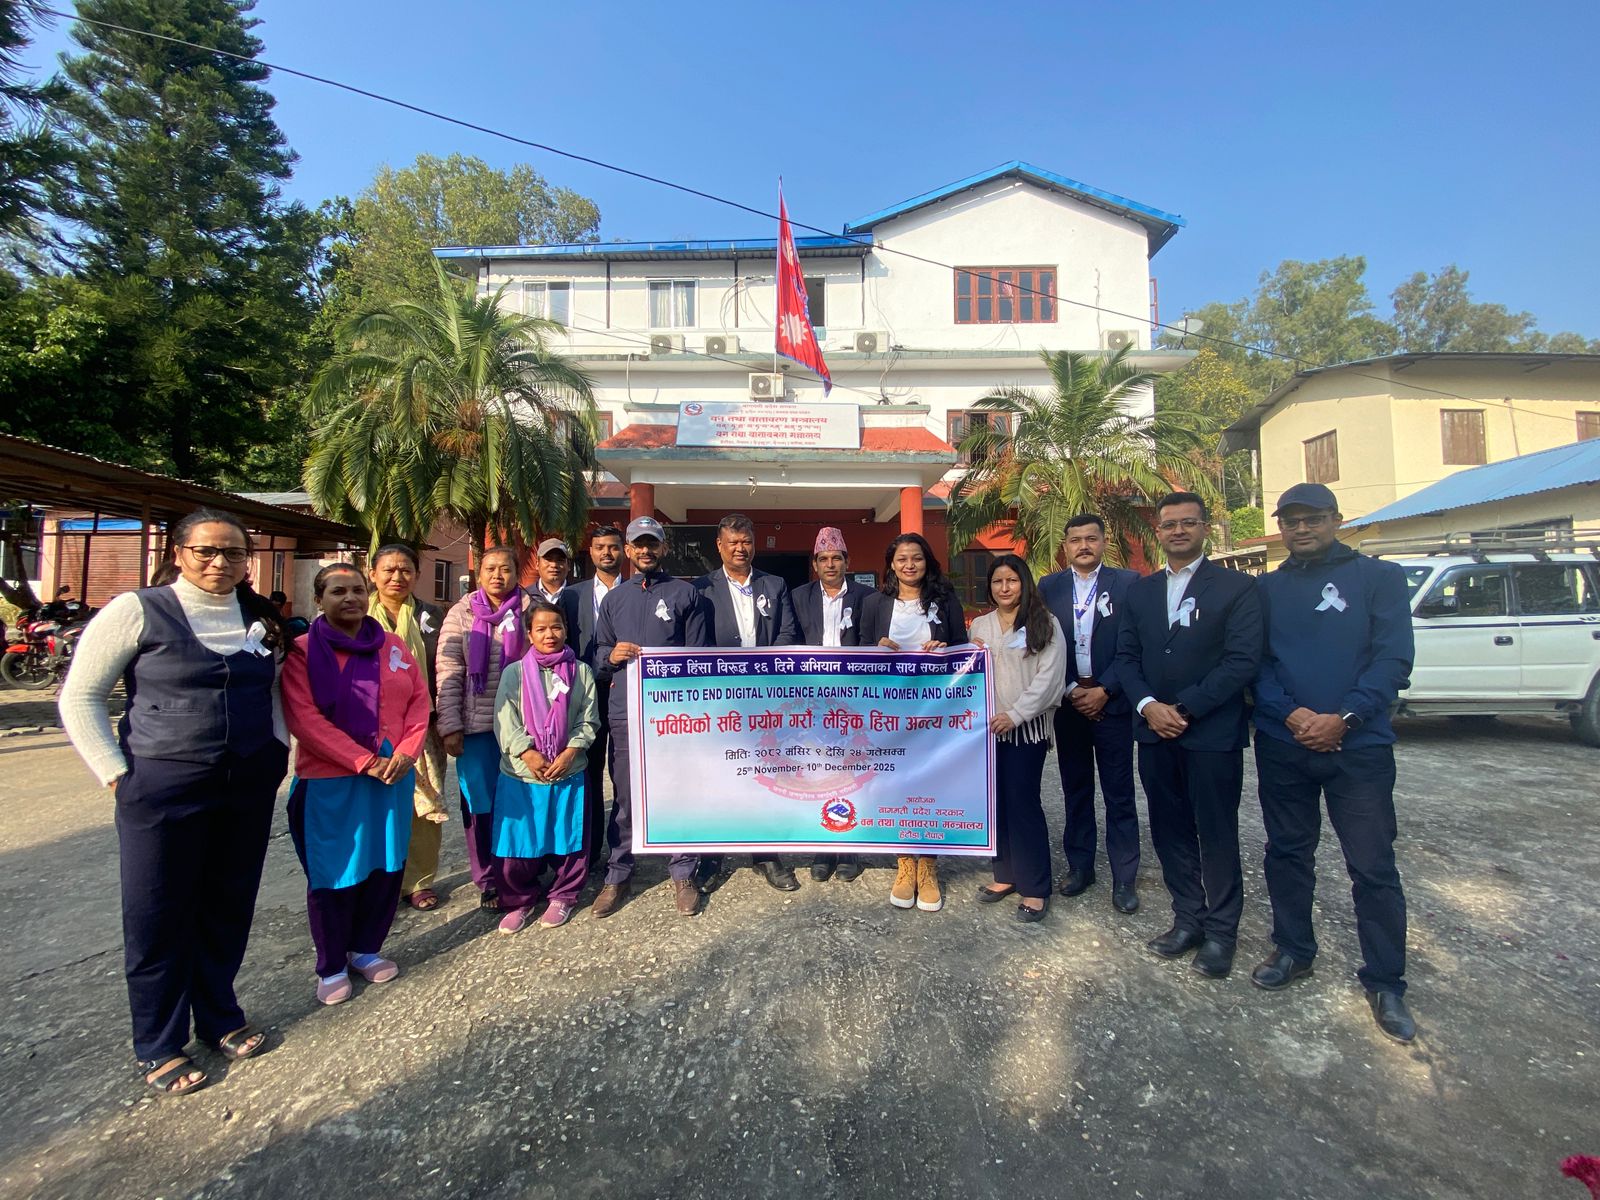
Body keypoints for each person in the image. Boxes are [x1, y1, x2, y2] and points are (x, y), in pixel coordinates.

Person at [59, 508, 289, 1096]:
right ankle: (159, 1041)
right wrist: (115, 773)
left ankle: (218, 1015)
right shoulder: (138, 610)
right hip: (161, 787)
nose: (219, 562)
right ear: (179, 553)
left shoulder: (259, 619)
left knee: (228, 903)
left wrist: (277, 749)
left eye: (233, 553)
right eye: (206, 551)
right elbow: (80, 696)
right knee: (157, 913)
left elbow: (275, 691)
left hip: (245, 785)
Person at [1251, 483, 1418, 1042]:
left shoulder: (1379, 578)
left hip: (1359, 748)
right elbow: (1255, 664)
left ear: (1337, 519)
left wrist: (1344, 717)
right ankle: (1293, 949)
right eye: (1291, 520)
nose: (1301, 528)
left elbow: (1393, 660)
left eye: (1313, 518)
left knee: (1372, 866)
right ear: (1281, 526)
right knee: (1287, 853)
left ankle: (1386, 981)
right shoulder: (1266, 589)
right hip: (1284, 744)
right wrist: (1293, 714)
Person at [1114, 492, 1262, 978]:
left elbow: (1241, 661)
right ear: (1158, 531)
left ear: (1205, 528)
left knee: (1216, 833)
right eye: (1169, 524)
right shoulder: (1141, 591)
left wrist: (1184, 708)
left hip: (1210, 734)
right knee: (1169, 829)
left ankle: (1221, 933)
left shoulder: (1238, 588)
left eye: (1188, 523)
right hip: (1154, 732)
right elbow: (1127, 658)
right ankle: (1188, 919)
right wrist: (1147, 706)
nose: (1178, 531)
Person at [282, 565, 430, 1005]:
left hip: (392, 775)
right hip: (332, 779)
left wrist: (408, 751)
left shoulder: (392, 645)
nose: (350, 598)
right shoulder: (302, 652)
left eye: (357, 590)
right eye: (337, 591)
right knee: (335, 872)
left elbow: (419, 699)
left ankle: (367, 948)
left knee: (386, 864)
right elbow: (304, 719)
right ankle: (331, 964)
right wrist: (363, 760)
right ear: (319, 599)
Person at [592, 516, 710, 917]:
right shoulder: (614, 600)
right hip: (626, 712)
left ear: (664, 548)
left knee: (677, 790)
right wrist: (610, 656)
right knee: (625, 795)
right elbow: (598, 654)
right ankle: (618, 873)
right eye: (638, 544)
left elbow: (699, 657)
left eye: (652, 544)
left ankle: (683, 870)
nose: (645, 551)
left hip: (674, 716)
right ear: (628, 550)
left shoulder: (685, 594)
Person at [860, 532, 970, 913]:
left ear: (927, 562)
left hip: (934, 712)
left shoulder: (946, 600)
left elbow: (963, 649)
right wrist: (876, 649)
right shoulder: (874, 603)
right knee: (895, 783)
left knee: (931, 784)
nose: (910, 565)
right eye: (902, 559)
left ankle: (929, 866)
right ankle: (905, 863)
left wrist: (946, 648)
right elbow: (858, 653)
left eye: (917, 558)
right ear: (891, 564)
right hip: (888, 714)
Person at [1038, 514, 1142, 914]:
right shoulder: (1049, 587)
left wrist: (1105, 690)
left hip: (1112, 703)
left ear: (1104, 542)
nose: (1083, 545)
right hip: (1069, 704)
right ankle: (1081, 867)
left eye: (1091, 538)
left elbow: (1133, 645)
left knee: (1119, 793)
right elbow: (1042, 643)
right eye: (1075, 539)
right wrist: (1069, 688)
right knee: (1076, 789)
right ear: (1065, 546)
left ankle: (1124, 876)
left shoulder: (1129, 584)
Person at [692, 513, 801, 891]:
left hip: (765, 699)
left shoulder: (775, 584)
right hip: (721, 700)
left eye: (746, 542)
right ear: (719, 546)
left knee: (765, 774)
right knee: (719, 775)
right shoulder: (702, 588)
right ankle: (713, 855)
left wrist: (761, 673)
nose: (740, 549)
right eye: (733, 543)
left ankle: (766, 854)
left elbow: (788, 633)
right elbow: (697, 641)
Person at [491, 600, 600, 931]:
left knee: (568, 839)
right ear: (529, 634)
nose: (549, 634)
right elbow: (505, 720)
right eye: (541, 629)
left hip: (568, 770)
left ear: (566, 630)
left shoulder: (581, 672)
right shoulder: (514, 673)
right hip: (522, 775)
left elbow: (588, 719)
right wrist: (527, 753)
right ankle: (519, 899)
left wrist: (570, 752)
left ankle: (564, 895)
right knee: (517, 844)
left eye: (556, 627)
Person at [970, 556, 1068, 921]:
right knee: (995, 803)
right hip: (987, 731)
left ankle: (1035, 887)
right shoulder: (979, 624)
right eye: (997, 581)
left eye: (1011, 580)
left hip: (1025, 731)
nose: (1004, 587)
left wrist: (1015, 715)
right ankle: (1005, 875)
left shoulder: (1045, 623)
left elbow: (1050, 679)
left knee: (1023, 803)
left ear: (1024, 583)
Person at [436, 545, 531, 911]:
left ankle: (520, 872)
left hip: (522, 725)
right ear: (479, 575)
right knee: (480, 806)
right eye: (490, 569)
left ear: (516, 573)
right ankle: (489, 878)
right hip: (476, 728)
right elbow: (448, 672)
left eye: (505, 568)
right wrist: (450, 724)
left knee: (521, 801)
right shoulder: (460, 614)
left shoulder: (530, 608)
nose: (497, 575)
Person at [367, 544, 451, 911]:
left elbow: (445, 667)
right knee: (376, 802)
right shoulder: (359, 614)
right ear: (373, 574)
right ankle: (381, 879)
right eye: (388, 570)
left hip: (423, 724)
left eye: (405, 570)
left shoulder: (431, 615)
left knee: (425, 802)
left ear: (416, 575)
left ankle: (418, 881)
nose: (397, 577)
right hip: (370, 726)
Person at [790, 526, 874, 882]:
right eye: (823, 559)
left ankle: (849, 849)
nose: (830, 564)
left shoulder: (868, 597)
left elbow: (872, 643)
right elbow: (790, 640)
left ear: (846, 562)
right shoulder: (798, 597)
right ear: (815, 564)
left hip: (853, 699)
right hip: (813, 699)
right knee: (818, 769)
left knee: (851, 768)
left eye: (836, 558)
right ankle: (823, 847)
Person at [558, 525, 624, 869]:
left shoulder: (638, 590)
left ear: (623, 550)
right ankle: (592, 850)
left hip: (627, 690)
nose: (606, 553)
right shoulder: (572, 596)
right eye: (600, 547)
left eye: (612, 547)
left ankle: (624, 848)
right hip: (586, 693)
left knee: (624, 773)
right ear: (592, 551)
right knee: (589, 771)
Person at [533, 538, 571, 605]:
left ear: (568, 565)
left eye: (560, 560)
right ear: (537, 564)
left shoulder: (580, 596)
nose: (554, 565)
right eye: (548, 559)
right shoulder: (525, 596)